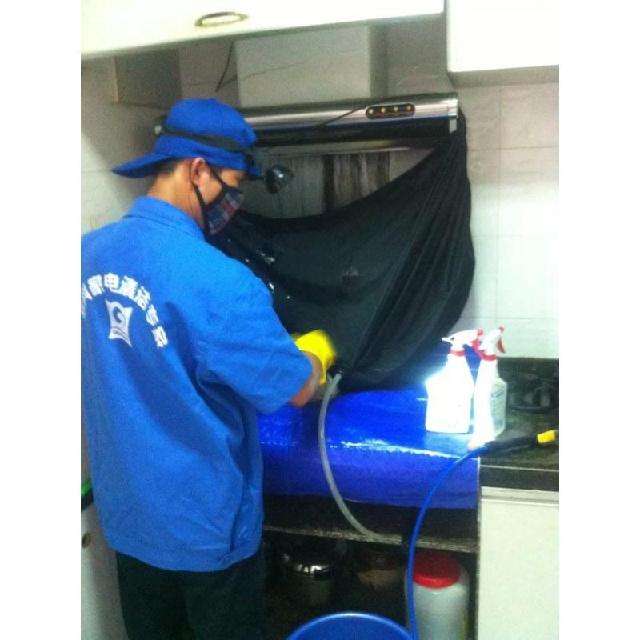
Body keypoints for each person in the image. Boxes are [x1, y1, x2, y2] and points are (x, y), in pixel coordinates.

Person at [81, 98, 336, 640]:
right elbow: (295, 389)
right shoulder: (219, 281)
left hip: (128, 519)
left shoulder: (85, 255)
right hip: (205, 532)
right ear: (197, 170)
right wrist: (317, 353)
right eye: (231, 185)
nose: (232, 204)